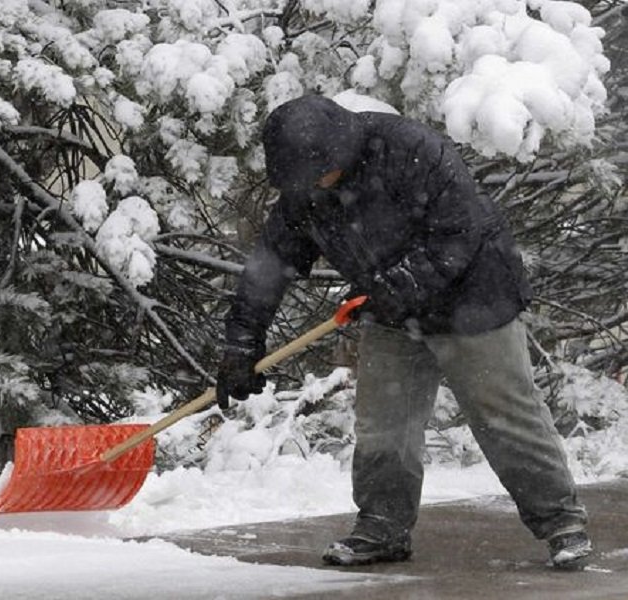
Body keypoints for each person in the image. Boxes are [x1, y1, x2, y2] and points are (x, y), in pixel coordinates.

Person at [215, 95, 591, 569]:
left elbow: (460, 232)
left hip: (474, 298)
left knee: (504, 414)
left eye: (319, 176)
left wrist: (400, 286)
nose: (312, 188)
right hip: (391, 309)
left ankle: (561, 522)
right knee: (383, 424)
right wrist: (242, 341)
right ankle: (382, 527)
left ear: (340, 152)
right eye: (301, 182)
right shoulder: (305, 190)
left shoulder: (411, 149)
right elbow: (269, 266)